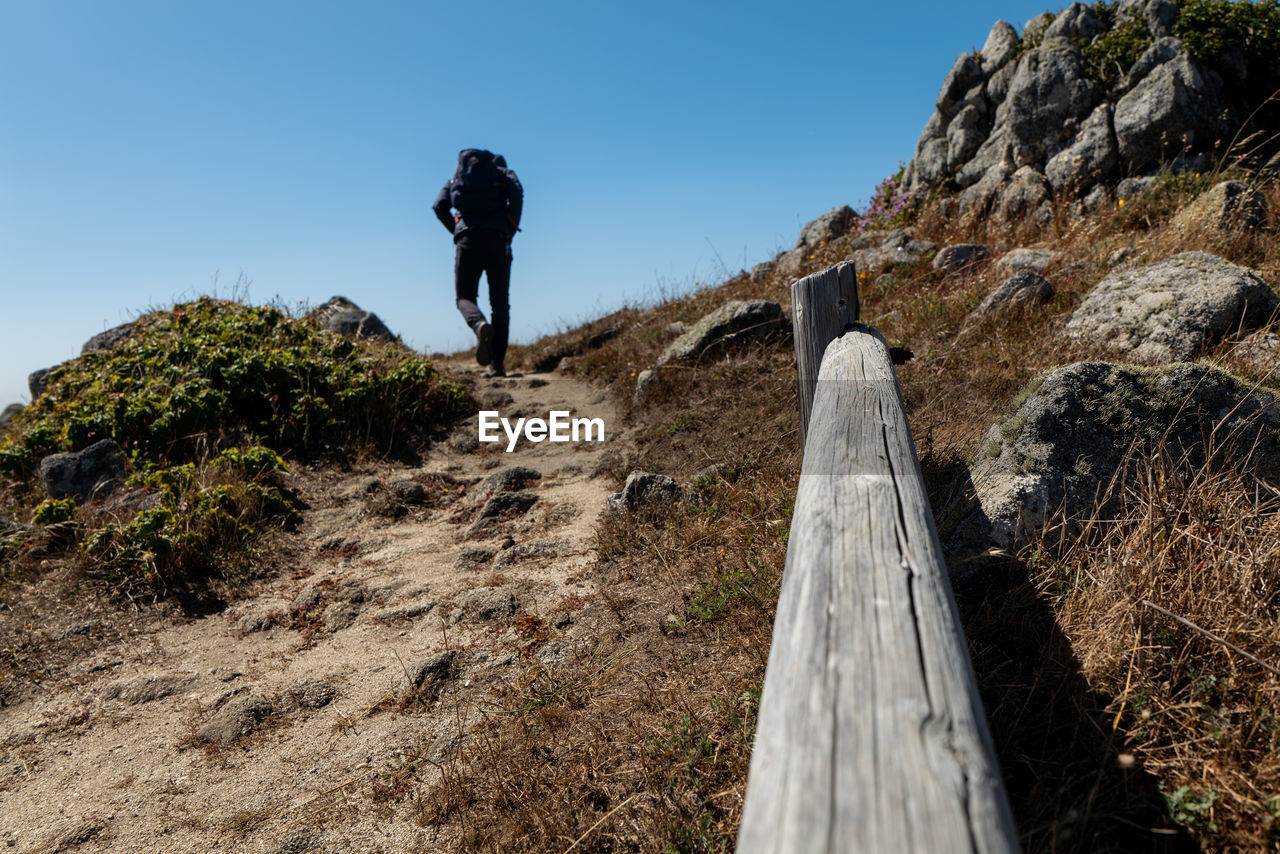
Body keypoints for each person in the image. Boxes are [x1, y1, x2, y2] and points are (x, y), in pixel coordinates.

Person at [433, 149, 523, 377]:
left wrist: (457, 231)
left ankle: (478, 324)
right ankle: (498, 364)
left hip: (468, 241)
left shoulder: (457, 177)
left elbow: (438, 205)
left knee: (464, 297)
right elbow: (518, 193)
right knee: (500, 304)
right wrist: (510, 227)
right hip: (498, 240)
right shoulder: (502, 172)